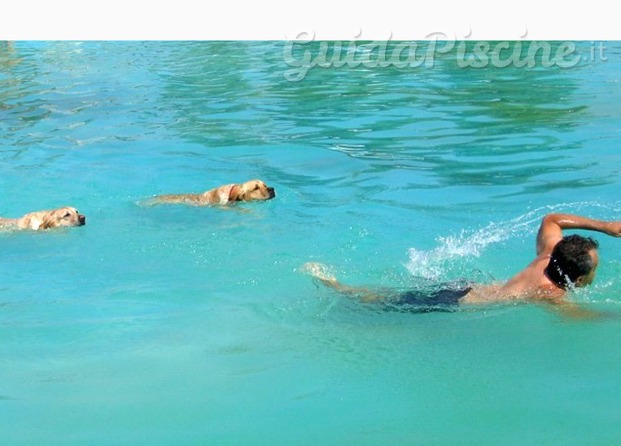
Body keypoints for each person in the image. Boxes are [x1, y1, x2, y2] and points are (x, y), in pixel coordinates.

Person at [302, 213, 621, 317]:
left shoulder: (547, 255)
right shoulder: (550, 293)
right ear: (577, 279)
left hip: (467, 285)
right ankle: (335, 287)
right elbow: (582, 318)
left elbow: (552, 218)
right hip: (456, 302)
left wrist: (607, 226)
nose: (596, 269)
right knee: (384, 304)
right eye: (593, 267)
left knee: (397, 296)